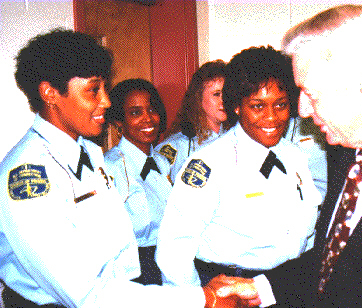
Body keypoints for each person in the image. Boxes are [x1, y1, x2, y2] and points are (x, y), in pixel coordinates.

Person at [0, 28, 260, 308]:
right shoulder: (29, 174)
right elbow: (86, 295)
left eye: (104, 88)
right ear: (50, 93)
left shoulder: (87, 153)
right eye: (93, 90)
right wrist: (202, 299)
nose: (106, 101)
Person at [252, 4, 362, 307]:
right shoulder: (349, 154)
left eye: (310, 93)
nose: (302, 110)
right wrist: (262, 288)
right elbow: (339, 259)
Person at [155, 46, 321, 294]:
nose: (272, 118)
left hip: (286, 287)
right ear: (236, 107)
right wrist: (201, 301)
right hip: (232, 292)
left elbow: (307, 235)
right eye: (257, 106)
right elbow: (174, 249)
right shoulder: (209, 164)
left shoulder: (293, 156)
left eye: (280, 105)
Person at [104, 78, 170, 286]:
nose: (148, 119)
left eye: (152, 109)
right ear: (118, 121)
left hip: (171, 259)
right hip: (137, 271)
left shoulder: (162, 161)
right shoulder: (111, 167)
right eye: (135, 112)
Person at [155, 60, 227, 184]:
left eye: (227, 94)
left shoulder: (238, 137)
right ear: (198, 98)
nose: (224, 100)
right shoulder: (175, 147)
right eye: (216, 94)